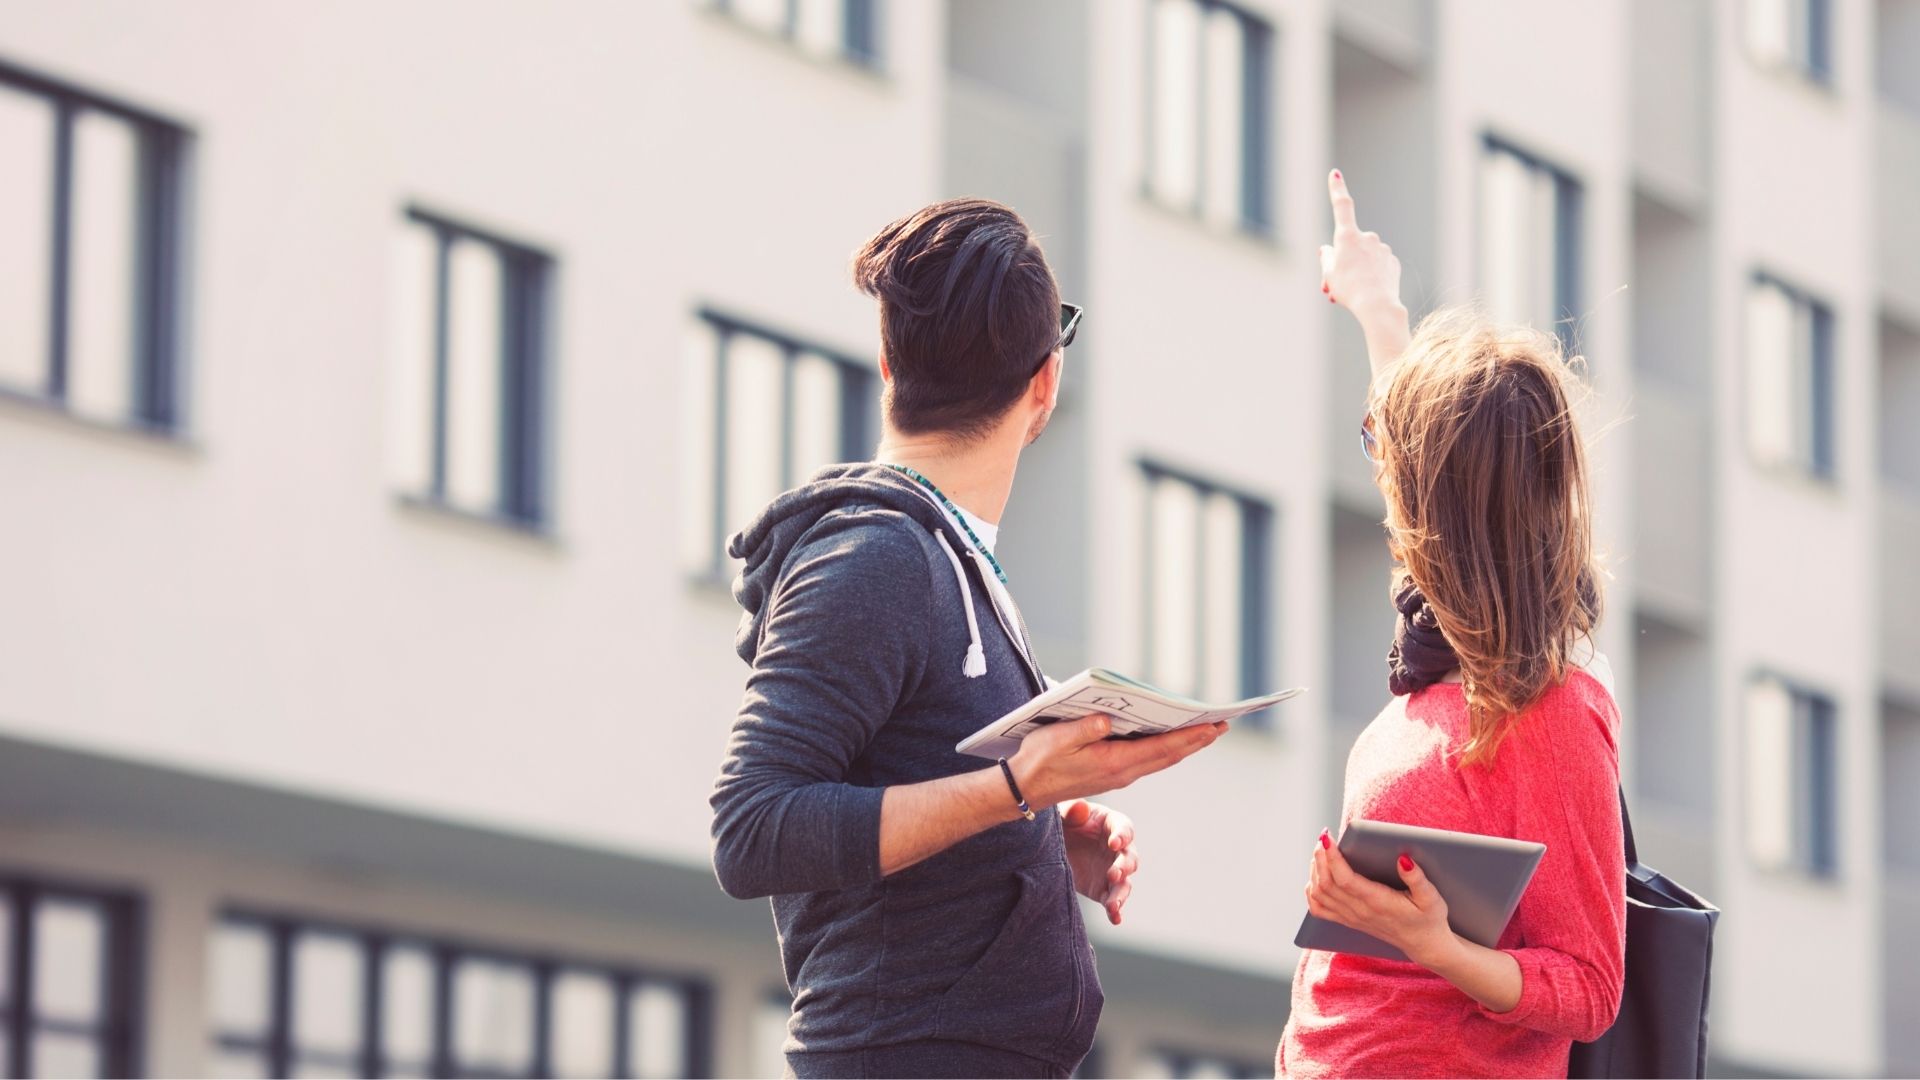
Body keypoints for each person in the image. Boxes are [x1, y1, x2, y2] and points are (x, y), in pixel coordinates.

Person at [710, 198, 1228, 1079]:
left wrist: (1036, 840)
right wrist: (1018, 788)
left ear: (885, 366)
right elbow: (752, 828)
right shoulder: (879, 559)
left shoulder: (942, 555)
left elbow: (910, 785)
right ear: (1045, 384)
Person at [1278, 171, 1627, 1077]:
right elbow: (1416, 451)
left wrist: (1436, 944)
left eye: (1400, 470)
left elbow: (1590, 986)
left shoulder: (1553, 716)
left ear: (1443, 514)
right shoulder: (1435, 649)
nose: (1384, 479)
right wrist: (1375, 305)